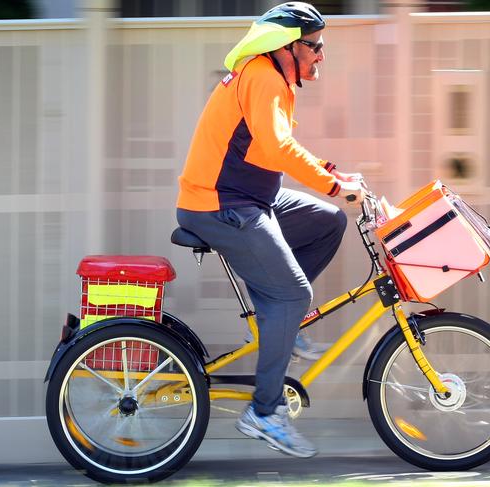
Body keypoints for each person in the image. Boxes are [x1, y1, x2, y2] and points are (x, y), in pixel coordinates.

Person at [175, 2, 365, 458]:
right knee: (293, 295)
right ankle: (264, 413)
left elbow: (276, 148)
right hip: (218, 204)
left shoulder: (268, 77)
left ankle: (274, 317)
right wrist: (334, 183)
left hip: (247, 196)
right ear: (287, 47)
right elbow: (279, 148)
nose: (321, 56)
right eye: (315, 47)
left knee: (327, 221)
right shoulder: (263, 78)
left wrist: (331, 174)